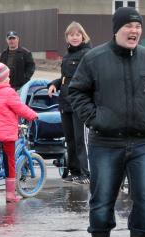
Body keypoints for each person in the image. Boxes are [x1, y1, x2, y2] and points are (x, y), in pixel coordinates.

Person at [69, 7, 145, 237]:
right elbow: (76, 91)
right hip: (105, 141)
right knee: (102, 198)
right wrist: (94, 117)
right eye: (129, 26)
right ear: (117, 30)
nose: (134, 31)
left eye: (138, 27)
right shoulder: (94, 58)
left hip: (144, 142)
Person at [0, 61, 37, 202]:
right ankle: (10, 195)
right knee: (10, 161)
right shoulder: (8, 92)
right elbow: (20, 108)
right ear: (2, 79)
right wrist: (33, 115)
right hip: (6, 133)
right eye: (7, 77)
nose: (9, 79)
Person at [48, 22, 92, 185]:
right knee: (70, 139)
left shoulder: (88, 54)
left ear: (83, 36)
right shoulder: (66, 56)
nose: (74, 37)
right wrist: (54, 84)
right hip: (65, 102)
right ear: (67, 37)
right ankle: (74, 171)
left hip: (79, 102)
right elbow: (65, 78)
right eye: (71, 35)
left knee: (81, 140)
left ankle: (86, 173)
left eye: (77, 34)